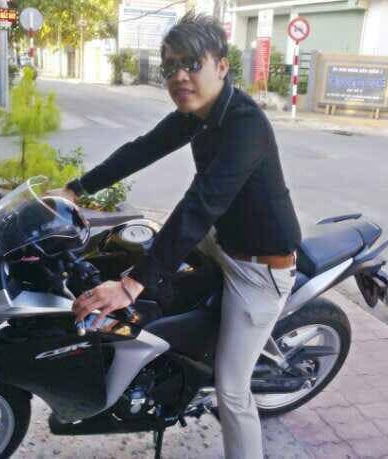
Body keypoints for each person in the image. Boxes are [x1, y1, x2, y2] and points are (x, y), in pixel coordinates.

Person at [48, 12, 301, 459]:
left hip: (258, 268)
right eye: (170, 67)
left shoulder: (246, 125)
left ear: (221, 66)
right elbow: (141, 149)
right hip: (221, 240)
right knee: (131, 251)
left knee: (232, 390)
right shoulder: (197, 114)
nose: (179, 76)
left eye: (191, 64)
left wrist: (130, 285)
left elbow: (199, 206)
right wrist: (75, 189)